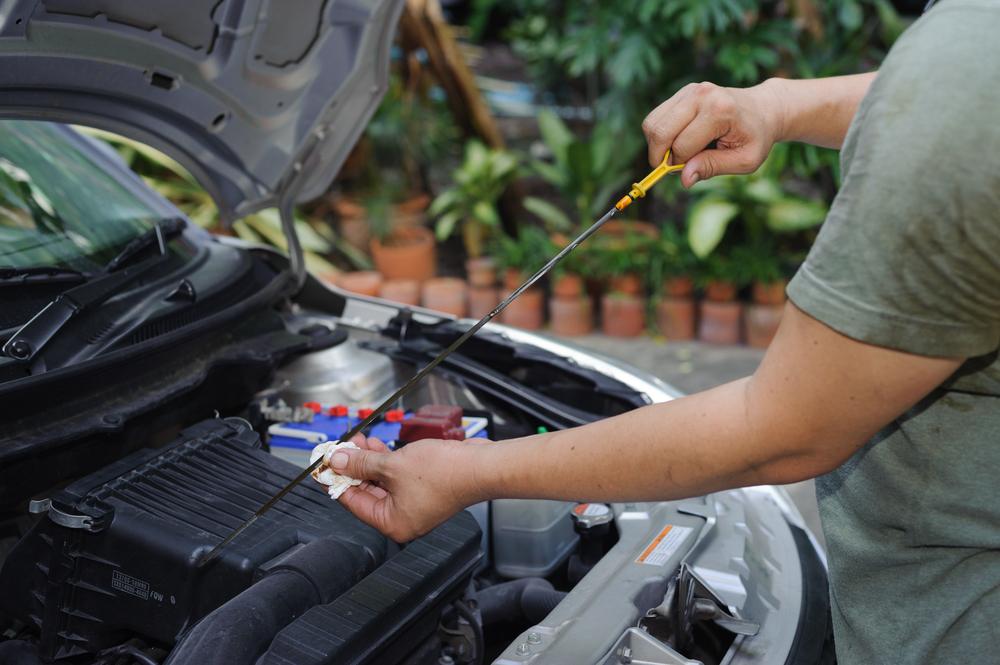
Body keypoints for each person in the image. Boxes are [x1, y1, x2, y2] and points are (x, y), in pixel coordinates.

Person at [326, 2, 999, 662]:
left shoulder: (963, 73)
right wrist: (777, 105)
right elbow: (941, 94)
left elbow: (784, 428)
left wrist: (471, 471)